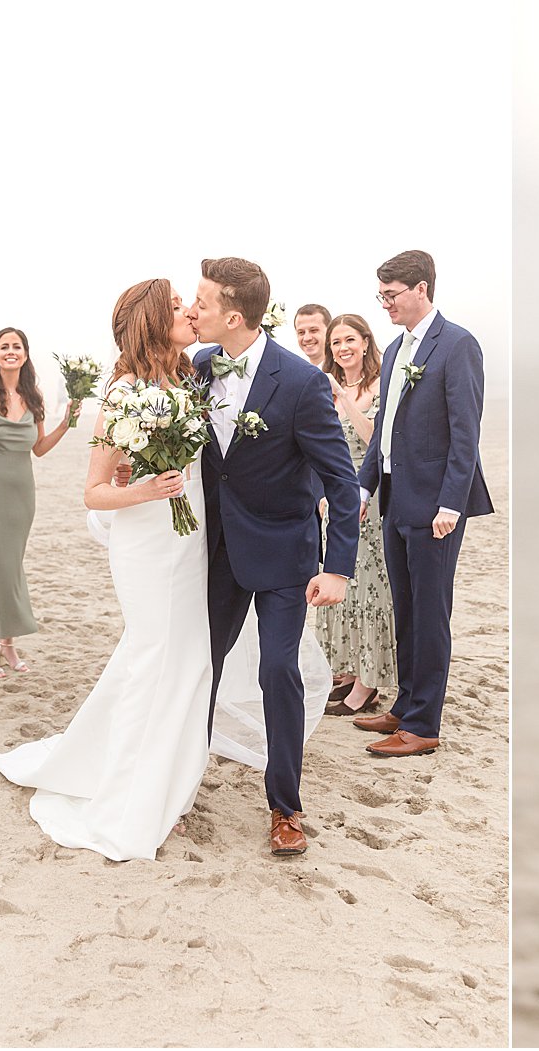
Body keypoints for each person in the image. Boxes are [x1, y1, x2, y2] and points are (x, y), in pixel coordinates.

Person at [0, 280, 209, 862]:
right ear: (155, 320)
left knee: (185, 661)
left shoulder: (184, 380)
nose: (189, 312)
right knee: (152, 659)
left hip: (190, 541)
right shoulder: (123, 393)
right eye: (177, 306)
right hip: (146, 543)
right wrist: (149, 490)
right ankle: (131, 792)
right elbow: (94, 492)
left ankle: (165, 786)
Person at [189, 257, 360, 856]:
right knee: (199, 667)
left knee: (277, 671)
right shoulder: (200, 368)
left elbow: (341, 480)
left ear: (234, 315)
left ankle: (285, 806)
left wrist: (337, 567)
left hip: (286, 552)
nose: (193, 309)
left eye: (202, 302)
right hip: (217, 552)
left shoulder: (302, 381)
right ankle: (180, 786)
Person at [355, 250, 493, 757]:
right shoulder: (394, 352)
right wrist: (365, 487)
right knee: (405, 608)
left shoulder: (457, 346)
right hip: (395, 500)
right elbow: (384, 434)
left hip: (436, 507)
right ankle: (405, 704)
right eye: (381, 295)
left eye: (392, 294)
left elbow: (465, 433)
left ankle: (423, 726)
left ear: (421, 289)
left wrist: (451, 505)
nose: (385, 304)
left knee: (431, 612)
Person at [0, 327, 79, 678]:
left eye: (17, 346)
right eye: (4, 346)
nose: (11, 351)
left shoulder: (34, 397)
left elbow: (39, 448)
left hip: (20, 498)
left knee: (10, 568)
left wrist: (66, 424)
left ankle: (8, 645)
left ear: (25, 354)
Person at [316, 313, 397, 715]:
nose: (343, 348)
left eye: (350, 340)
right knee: (341, 586)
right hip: (335, 496)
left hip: (371, 495)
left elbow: (377, 442)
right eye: (335, 343)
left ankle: (368, 684)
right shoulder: (323, 387)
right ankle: (347, 670)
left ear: (365, 342)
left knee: (369, 587)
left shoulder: (382, 384)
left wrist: (345, 399)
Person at [293, 303, 331, 368]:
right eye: (301, 332)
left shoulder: (343, 373)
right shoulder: (297, 372)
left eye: (313, 330)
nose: (307, 338)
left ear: (329, 331)